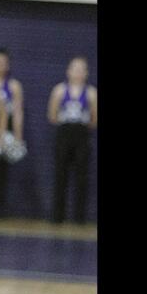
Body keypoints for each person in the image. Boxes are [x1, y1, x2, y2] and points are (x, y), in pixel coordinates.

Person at [47, 55, 98, 224]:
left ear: (86, 73)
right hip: (64, 134)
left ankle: (79, 218)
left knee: (81, 177)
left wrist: (81, 124)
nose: (77, 72)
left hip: (82, 135)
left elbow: (94, 119)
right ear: (68, 71)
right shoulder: (59, 90)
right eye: (74, 68)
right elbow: (52, 115)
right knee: (60, 175)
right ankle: (57, 216)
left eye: (81, 69)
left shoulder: (91, 93)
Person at [0, 48, 24, 218]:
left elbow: (17, 111)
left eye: (4, 62)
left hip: (5, 124)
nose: (0, 65)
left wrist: (17, 136)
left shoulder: (14, 85)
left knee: (2, 170)